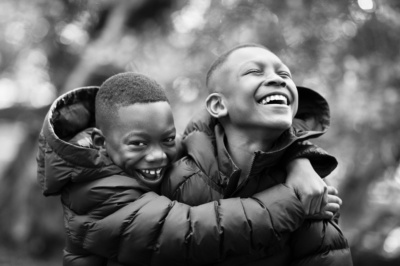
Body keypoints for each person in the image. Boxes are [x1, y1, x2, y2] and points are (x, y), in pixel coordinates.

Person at [36, 71, 344, 266]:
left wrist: (298, 158)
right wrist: (294, 199)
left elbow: (211, 126)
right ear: (102, 143)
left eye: (167, 139)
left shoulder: (136, 162)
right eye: (139, 144)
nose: (158, 156)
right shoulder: (93, 192)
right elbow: (193, 230)